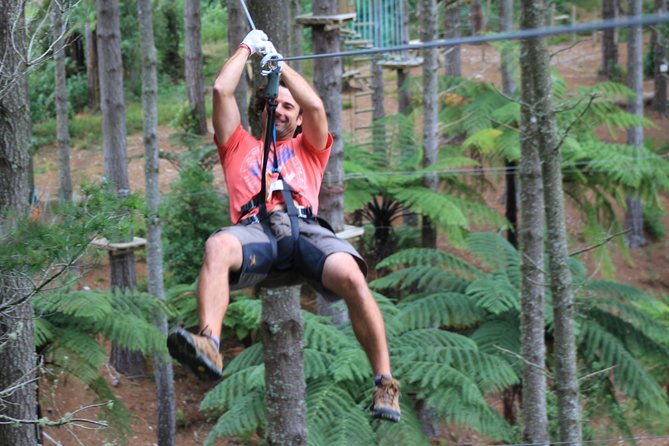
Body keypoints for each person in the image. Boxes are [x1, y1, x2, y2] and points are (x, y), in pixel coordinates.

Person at [167, 30, 400, 422]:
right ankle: (209, 343)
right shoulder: (238, 146)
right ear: (262, 110)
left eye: (289, 109)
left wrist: (282, 67)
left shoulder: (309, 148)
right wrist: (247, 47)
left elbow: (316, 105)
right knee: (217, 247)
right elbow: (222, 91)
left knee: (353, 275)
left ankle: (385, 382)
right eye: (276, 106)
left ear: (297, 118)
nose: (282, 111)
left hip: (305, 230)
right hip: (256, 231)